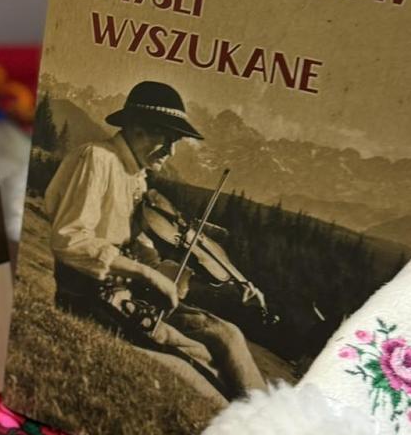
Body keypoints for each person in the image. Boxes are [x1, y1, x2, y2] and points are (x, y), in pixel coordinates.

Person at [43, 80, 265, 406]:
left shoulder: (137, 177)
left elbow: (143, 252)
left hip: (129, 297)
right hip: (92, 301)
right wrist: (146, 274)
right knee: (201, 364)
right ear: (137, 127)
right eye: (167, 137)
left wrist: (206, 281)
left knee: (227, 333)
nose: (171, 151)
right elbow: (70, 239)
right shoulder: (97, 158)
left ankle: (274, 422)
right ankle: (253, 422)